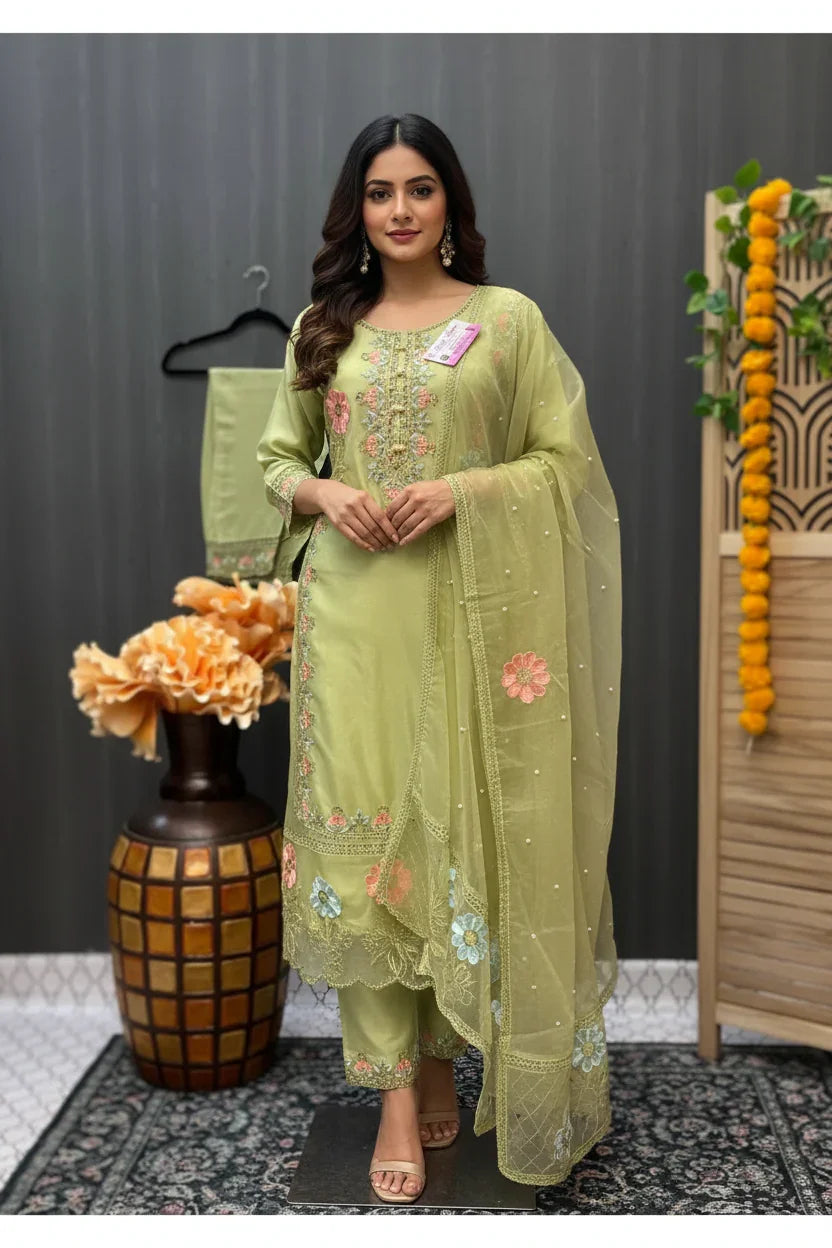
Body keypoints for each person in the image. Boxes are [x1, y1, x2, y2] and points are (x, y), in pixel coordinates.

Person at [257, 113, 622, 1204]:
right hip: (355, 624)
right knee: (370, 850)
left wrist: (459, 490)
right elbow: (277, 459)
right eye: (380, 192)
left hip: (474, 619)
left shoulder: (507, 324)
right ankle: (394, 1098)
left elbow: (566, 464)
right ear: (356, 211)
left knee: (458, 837)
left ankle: (437, 1059)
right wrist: (327, 490)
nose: (401, 209)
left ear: (451, 204)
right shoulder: (326, 326)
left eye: (421, 189)